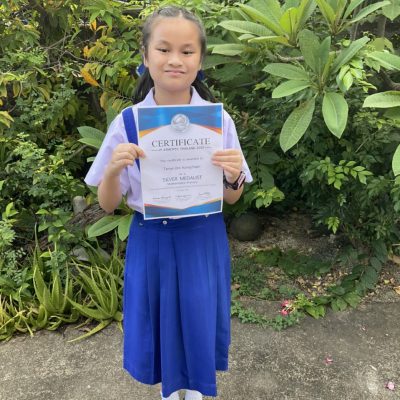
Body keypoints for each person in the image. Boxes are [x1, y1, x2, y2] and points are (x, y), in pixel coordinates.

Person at [84, 6, 252, 400]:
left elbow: (232, 195)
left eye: (187, 51)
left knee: (198, 320)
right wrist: (112, 171)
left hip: (202, 238)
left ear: (200, 60)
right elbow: (107, 205)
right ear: (146, 56)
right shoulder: (128, 123)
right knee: (160, 324)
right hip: (152, 239)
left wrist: (233, 175)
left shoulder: (217, 122)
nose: (175, 59)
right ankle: (168, 393)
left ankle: (197, 393)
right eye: (163, 49)